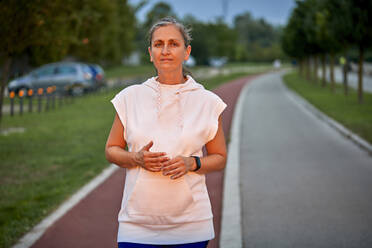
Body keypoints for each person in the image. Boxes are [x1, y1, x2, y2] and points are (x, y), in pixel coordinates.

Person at [105, 17, 227, 248]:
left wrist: (192, 163)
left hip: (191, 224)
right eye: (159, 44)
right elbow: (111, 150)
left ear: (186, 51)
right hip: (136, 224)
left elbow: (220, 158)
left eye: (173, 43)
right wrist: (135, 158)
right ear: (150, 53)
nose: (166, 50)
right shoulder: (129, 98)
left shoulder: (209, 102)